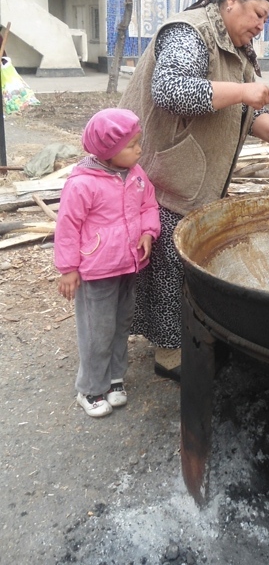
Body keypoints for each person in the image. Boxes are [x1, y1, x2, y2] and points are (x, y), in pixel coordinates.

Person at [120, 0, 269, 381]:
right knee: (167, 263)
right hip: (162, 174)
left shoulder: (234, 47)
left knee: (182, 262)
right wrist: (243, 91)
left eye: (266, 19)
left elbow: (249, 110)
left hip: (194, 177)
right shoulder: (190, 31)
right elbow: (172, 89)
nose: (260, 25)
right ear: (229, 2)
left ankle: (181, 335)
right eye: (258, 14)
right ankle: (169, 354)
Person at [54, 109, 161, 418]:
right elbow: (67, 227)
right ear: (107, 151)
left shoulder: (137, 175)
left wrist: (148, 232)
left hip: (128, 265)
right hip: (97, 270)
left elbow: (149, 205)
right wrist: (68, 268)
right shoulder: (83, 184)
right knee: (96, 330)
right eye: (131, 145)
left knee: (120, 325)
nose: (139, 149)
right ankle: (89, 388)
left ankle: (115, 378)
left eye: (139, 142)